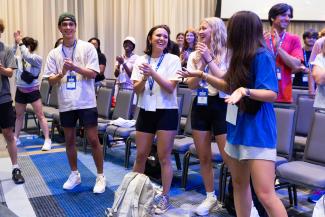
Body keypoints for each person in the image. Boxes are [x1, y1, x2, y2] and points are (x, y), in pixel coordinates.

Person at [43, 12, 106, 193]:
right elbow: (51, 81)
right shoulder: (54, 53)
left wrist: (75, 67)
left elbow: (94, 74)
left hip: (86, 102)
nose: (68, 28)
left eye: (71, 24)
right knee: (69, 140)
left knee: (93, 140)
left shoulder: (87, 48)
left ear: (75, 27)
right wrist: (63, 71)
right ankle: (74, 174)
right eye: (65, 25)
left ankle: (100, 176)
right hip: (66, 103)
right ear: (60, 28)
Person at [177, 17, 229, 216]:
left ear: (215, 30)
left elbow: (223, 79)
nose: (199, 31)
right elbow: (191, 84)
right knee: (203, 155)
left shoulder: (227, 51)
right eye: (199, 28)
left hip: (222, 105)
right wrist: (198, 65)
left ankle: (235, 194)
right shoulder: (194, 55)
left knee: (228, 156)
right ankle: (210, 196)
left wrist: (208, 59)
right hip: (201, 103)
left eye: (204, 28)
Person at [131, 24, 181, 214]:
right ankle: (134, 194)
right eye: (158, 35)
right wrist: (144, 78)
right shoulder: (140, 60)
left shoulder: (173, 59)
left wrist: (153, 73)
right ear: (150, 38)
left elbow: (170, 87)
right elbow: (136, 89)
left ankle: (165, 196)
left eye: (165, 36)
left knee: (164, 157)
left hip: (166, 111)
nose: (162, 38)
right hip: (145, 110)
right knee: (141, 155)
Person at [12, 31, 52, 151]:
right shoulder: (19, 59)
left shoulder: (36, 58)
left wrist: (20, 42)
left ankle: (47, 139)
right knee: (18, 116)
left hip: (33, 91)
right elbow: (10, 56)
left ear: (28, 47)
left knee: (40, 115)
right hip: (20, 91)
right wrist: (15, 44)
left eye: (22, 46)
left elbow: (27, 56)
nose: (20, 48)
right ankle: (16, 138)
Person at [0, 19, 25, 184]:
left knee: (8, 134)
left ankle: (16, 168)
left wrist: (1, 69)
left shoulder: (7, 50)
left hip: (3, 98)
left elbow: (11, 73)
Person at [265, 3, 303, 103]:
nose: (287, 18)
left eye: (289, 16)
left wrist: (278, 48)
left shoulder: (294, 39)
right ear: (272, 18)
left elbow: (296, 64)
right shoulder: (261, 38)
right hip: (262, 94)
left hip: (284, 96)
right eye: (283, 15)